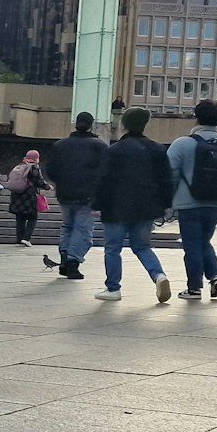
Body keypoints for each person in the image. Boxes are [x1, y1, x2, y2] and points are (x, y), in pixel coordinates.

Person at [91, 107, 172, 304]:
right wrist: (165, 204)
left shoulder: (115, 150)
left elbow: (104, 180)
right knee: (142, 246)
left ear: (124, 125)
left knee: (112, 248)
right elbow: (167, 180)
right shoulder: (157, 149)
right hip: (146, 206)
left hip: (116, 206)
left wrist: (97, 203)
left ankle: (113, 288)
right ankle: (158, 275)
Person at [167, 99, 217, 300]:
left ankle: (194, 287)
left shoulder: (182, 144)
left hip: (188, 203)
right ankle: (215, 277)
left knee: (192, 244)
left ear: (196, 117)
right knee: (204, 241)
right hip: (216, 203)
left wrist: (167, 201)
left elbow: (170, 174)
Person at [48, 112, 107, 280]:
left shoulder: (59, 145)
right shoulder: (99, 146)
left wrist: (62, 181)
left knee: (67, 226)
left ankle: (64, 256)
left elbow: (51, 170)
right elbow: (106, 172)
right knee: (83, 228)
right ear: (91, 125)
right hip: (88, 196)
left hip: (65, 194)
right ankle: (73, 262)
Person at [4, 149, 49, 242]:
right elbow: (38, 180)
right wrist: (47, 186)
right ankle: (26, 238)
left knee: (20, 218)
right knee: (33, 217)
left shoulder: (20, 166)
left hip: (17, 195)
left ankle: (19, 239)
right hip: (29, 196)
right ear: (36, 158)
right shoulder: (34, 167)